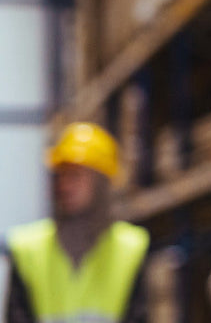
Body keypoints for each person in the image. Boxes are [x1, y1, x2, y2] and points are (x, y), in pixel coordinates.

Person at [2, 122, 150, 323]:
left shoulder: (131, 248)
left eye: (75, 175)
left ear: (101, 182)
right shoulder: (27, 248)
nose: (64, 185)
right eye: (61, 175)